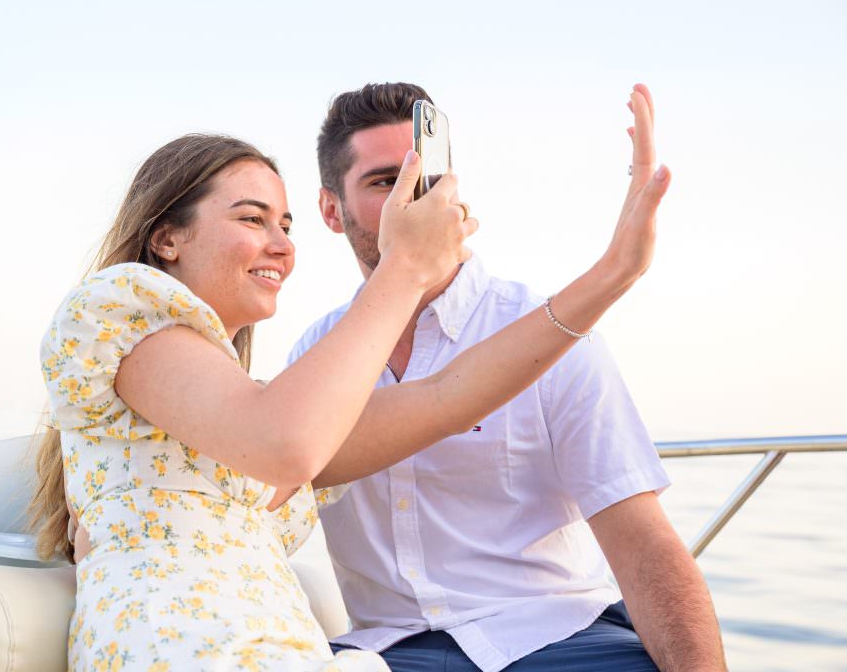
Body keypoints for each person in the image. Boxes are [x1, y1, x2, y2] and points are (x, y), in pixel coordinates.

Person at [32, 82, 669, 671]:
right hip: (185, 651)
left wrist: (612, 274)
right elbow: (286, 446)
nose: (282, 244)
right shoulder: (117, 309)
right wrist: (407, 267)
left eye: (285, 225)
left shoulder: (247, 401)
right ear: (167, 237)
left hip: (292, 651)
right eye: (253, 219)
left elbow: (447, 396)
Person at [286, 82, 725, 672]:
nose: (413, 198)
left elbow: (642, 540)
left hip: (558, 639)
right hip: (388, 650)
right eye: (385, 181)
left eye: (428, 177)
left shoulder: (547, 333)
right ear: (330, 211)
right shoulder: (315, 354)